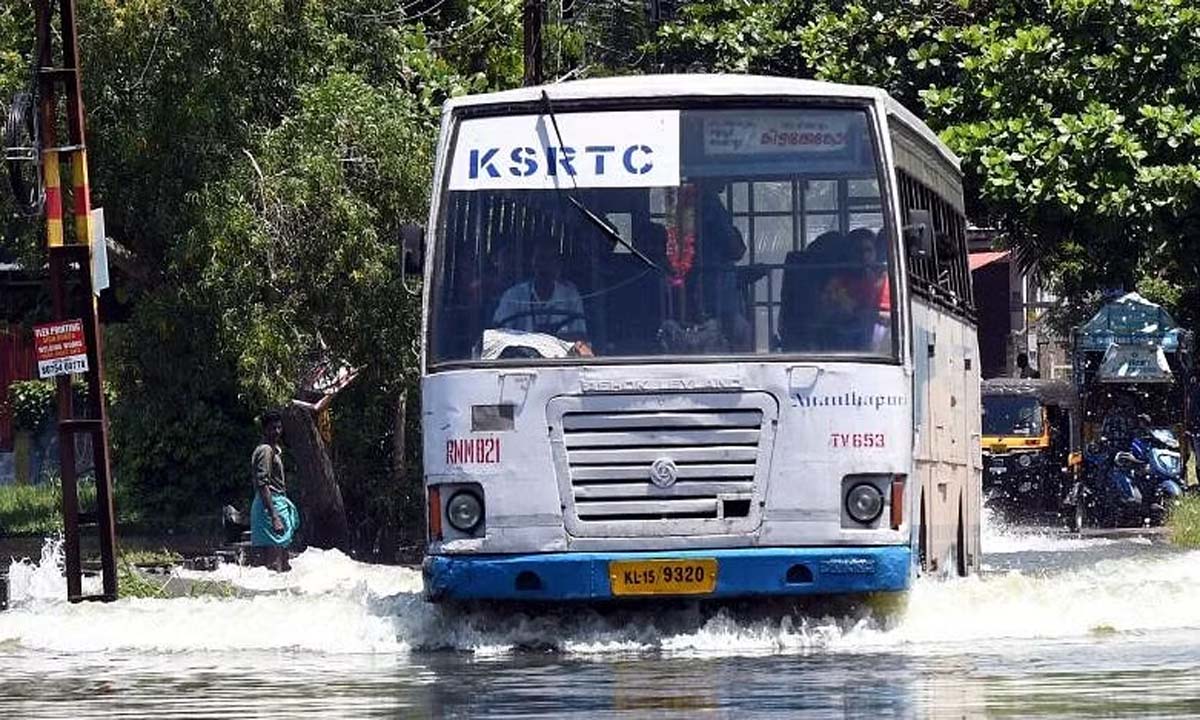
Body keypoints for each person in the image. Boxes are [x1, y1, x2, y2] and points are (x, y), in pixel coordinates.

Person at [492, 242, 588, 339]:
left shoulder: (570, 296)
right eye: (541, 258)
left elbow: (580, 335)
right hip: (521, 352)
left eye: (551, 259)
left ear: (558, 265)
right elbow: (498, 332)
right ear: (532, 263)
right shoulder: (513, 295)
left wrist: (555, 337)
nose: (545, 265)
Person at [822, 228, 892, 351]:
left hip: (885, 346)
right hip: (846, 344)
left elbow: (899, 317)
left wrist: (873, 316)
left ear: (876, 252)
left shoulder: (889, 280)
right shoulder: (837, 283)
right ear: (850, 254)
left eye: (868, 250)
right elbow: (825, 315)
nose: (864, 256)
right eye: (858, 251)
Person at [251, 411, 298, 572]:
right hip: (270, 507)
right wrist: (274, 516)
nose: (277, 432)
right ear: (264, 430)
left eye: (279, 427)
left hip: (275, 504)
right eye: (272, 428)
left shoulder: (272, 449)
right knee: (274, 562)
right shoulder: (265, 450)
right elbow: (262, 483)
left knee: (283, 562)